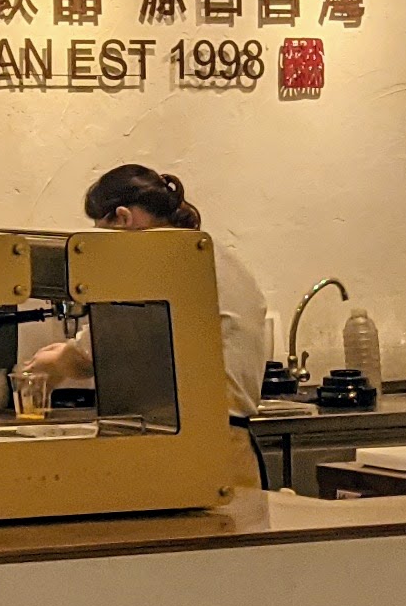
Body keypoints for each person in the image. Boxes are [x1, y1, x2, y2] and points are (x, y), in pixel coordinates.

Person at [43, 161, 268, 415]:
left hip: (197, 428)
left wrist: (56, 363)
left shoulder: (158, 258)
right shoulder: (211, 253)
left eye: (102, 232)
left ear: (123, 218)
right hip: (232, 429)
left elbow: (101, 348)